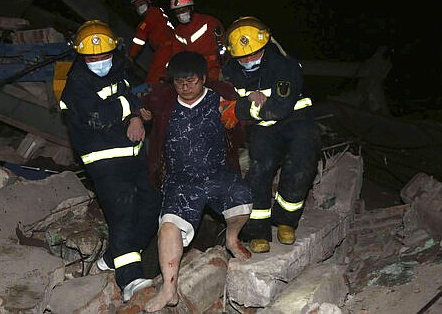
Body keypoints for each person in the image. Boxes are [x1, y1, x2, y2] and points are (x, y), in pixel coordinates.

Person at [59, 20, 161, 302]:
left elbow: (128, 98)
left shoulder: (119, 70)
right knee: (123, 212)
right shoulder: (76, 84)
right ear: (82, 56)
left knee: (152, 204)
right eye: (93, 57)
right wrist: (134, 107)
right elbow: (98, 116)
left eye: (104, 55)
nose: (100, 61)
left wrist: (138, 116)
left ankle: (112, 258)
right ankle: (130, 279)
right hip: (103, 161)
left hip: (133, 153)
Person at [143, 51, 253, 312]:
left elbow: (246, 117)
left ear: (204, 78)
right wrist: (137, 117)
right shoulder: (163, 98)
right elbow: (143, 106)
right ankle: (169, 290)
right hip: (181, 181)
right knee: (168, 228)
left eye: (191, 81)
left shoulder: (221, 96)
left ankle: (232, 238)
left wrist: (249, 105)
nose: (185, 87)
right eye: (179, 82)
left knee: (243, 199)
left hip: (217, 173)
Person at [221, 16, 321, 250]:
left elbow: (278, 108)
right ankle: (257, 231)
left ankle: (286, 221)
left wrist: (245, 106)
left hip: (297, 122)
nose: (248, 59)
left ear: (264, 46)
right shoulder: (230, 72)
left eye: (254, 53)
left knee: (303, 161)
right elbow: (225, 107)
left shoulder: (284, 66)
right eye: (243, 56)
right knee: (260, 167)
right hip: (262, 129)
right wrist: (246, 105)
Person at [169, 0, 225, 81]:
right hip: (194, 75)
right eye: (177, 11)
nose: (181, 14)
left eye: (184, 9)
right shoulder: (178, 31)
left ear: (191, 8)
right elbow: (177, 55)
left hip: (215, 71)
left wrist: (224, 70)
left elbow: (223, 47)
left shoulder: (209, 22)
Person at [128, 0, 176, 85]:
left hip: (165, 50)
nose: (139, 7)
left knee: (153, 79)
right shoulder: (159, 13)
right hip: (173, 48)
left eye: (141, 3)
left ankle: (147, 98)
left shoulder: (151, 16)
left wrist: (131, 56)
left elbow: (140, 38)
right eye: (136, 5)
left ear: (148, 2)